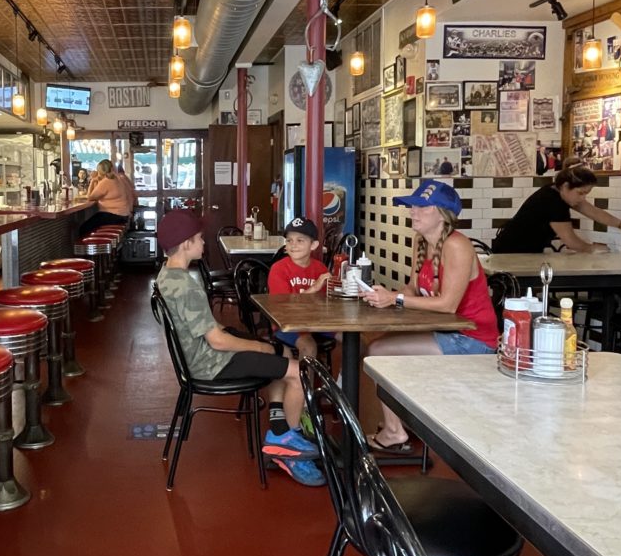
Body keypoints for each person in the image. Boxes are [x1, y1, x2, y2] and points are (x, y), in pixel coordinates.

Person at [155, 210, 324, 486]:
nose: (203, 242)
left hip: (199, 356)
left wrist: (261, 346)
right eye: (199, 238)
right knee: (296, 371)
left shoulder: (168, 275)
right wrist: (257, 348)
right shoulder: (186, 286)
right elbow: (217, 341)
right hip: (211, 363)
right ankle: (285, 448)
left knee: (280, 350)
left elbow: (209, 330)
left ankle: (281, 422)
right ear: (186, 243)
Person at [361, 180, 500, 453]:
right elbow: (413, 288)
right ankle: (404, 420)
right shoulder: (422, 242)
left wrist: (396, 299)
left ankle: (394, 431)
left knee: (378, 351)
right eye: (412, 206)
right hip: (445, 330)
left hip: (472, 338)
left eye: (422, 207)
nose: (413, 211)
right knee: (382, 342)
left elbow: (448, 305)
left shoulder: (457, 245)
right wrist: (386, 296)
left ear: (442, 213)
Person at [492, 158, 621, 253]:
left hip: (522, 251)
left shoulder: (558, 192)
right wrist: (592, 248)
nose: (583, 197)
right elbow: (570, 240)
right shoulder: (553, 202)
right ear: (566, 186)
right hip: (511, 252)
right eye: (581, 193)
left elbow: (594, 212)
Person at [267, 218, 334, 360]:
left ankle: (342, 381)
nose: (293, 245)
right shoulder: (278, 269)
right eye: (289, 240)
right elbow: (285, 306)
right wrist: (314, 288)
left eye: (300, 240)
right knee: (309, 347)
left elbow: (326, 302)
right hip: (287, 324)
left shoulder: (320, 268)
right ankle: (302, 383)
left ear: (314, 245)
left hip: (315, 322)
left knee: (358, 341)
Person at [79, 159, 131, 235]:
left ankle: (94, 245)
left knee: (83, 228)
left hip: (113, 215)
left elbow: (90, 197)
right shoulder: (117, 178)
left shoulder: (106, 182)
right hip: (123, 215)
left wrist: (93, 180)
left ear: (99, 171)